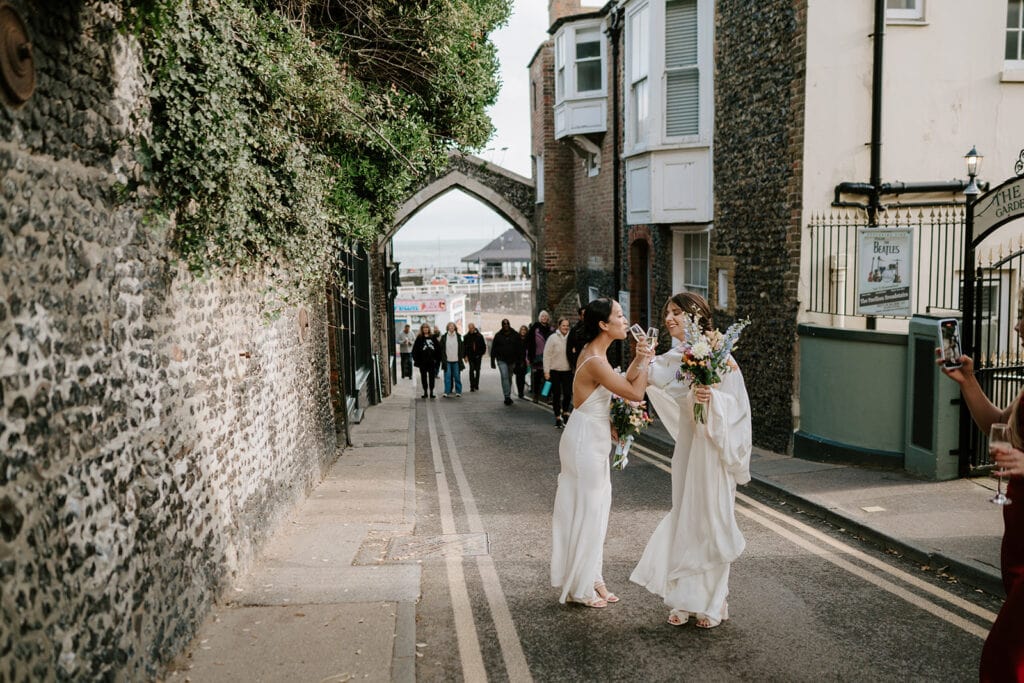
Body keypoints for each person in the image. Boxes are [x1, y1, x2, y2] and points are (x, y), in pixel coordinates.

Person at [630, 292, 752, 629]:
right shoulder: (672, 358)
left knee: (710, 518)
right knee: (685, 515)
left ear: (696, 317)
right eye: (667, 313)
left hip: (713, 449)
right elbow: (636, 384)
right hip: (687, 447)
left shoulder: (721, 356)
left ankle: (714, 602)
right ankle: (683, 598)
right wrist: (641, 358)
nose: (669, 318)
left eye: (677, 313)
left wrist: (711, 398)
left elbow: (738, 407)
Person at [938, 308, 1024, 682]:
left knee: (1002, 660)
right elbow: (998, 427)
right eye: (1018, 314)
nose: (1017, 325)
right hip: (1019, 538)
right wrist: (967, 380)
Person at [551, 298, 653, 608]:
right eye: (620, 315)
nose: (626, 320)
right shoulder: (594, 360)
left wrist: (638, 358)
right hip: (584, 441)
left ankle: (593, 577)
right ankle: (581, 587)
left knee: (597, 509)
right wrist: (646, 360)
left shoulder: (599, 355)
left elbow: (620, 384)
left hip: (592, 437)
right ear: (603, 325)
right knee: (588, 510)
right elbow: (634, 392)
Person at [543, 317, 573, 428]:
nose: (565, 327)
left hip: (567, 371)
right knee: (556, 395)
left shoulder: (571, 338)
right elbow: (547, 355)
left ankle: (565, 412)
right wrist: (546, 371)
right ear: (559, 326)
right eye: (563, 325)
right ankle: (557, 418)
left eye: (567, 325)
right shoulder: (552, 338)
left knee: (567, 394)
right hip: (554, 371)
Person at [489, 319, 523, 406]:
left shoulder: (515, 335)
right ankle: (507, 396)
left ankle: (508, 394)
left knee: (509, 377)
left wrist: (520, 360)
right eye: (504, 324)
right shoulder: (498, 335)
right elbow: (493, 349)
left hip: (512, 360)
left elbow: (519, 348)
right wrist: (492, 361)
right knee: (504, 376)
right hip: (501, 359)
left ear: (509, 324)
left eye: (507, 324)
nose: (506, 325)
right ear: (502, 325)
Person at [526, 311, 554, 403]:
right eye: (542, 316)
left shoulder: (551, 329)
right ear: (540, 318)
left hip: (549, 357)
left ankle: (547, 395)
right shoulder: (534, 329)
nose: (544, 318)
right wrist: (530, 357)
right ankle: (536, 395)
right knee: (537, 379)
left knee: (548, 378)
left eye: (546, 316)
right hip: (537, 357)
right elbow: (529, 343)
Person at [411, 323, 441, 399]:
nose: (425, 329)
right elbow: (415, 350)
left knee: (432, 377)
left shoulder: (433, 337)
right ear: (422, 329)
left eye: (427, 328)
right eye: (424, 328)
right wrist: (417, 360)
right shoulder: (419, 338)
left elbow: (438, 349)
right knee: (423, 377)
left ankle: (431, 392)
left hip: (432, 362)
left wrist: (437, 359)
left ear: (429, 329)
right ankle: (425, 392)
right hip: (422, 362)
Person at [439, 321, 464, 398]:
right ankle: (446, 391)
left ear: (455, 328)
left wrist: (463, 356)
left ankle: (458, 391)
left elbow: (462, 347)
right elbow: (441, 349)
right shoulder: (444, 337)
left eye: (453, 326)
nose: (451, 327)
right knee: (447, 377)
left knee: (457, 376)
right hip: (447, 361)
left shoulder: (459, 336)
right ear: (448, 328)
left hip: (456, 360)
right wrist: (441, 358)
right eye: (450, 326)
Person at [464, 323, 487, 392]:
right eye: (469, 328)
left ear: (474, 328)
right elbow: (464, 347)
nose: (471, 329)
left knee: (477, 370)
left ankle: (476, 384)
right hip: (470, 356)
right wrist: (465, 356)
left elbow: (483, 346)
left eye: (472, 328)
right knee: (471, 370)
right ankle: (472, 386)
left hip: (478, 356)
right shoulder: (466, 337)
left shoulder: (479, 336)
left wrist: (481, 354)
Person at [566, 306, 587, 371]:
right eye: (584, 315)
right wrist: (574, 362)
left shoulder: (595, 328)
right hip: (579, 363)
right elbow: (569, 348)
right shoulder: (575, 330)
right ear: (580, 316)